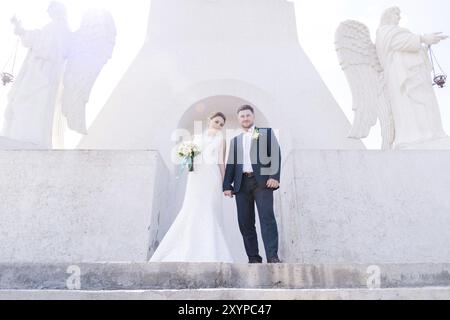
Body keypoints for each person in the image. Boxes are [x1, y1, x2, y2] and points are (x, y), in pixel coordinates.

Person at [150, 112, 234, 263]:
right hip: (196, 176)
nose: (219, 126)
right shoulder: (196, 138)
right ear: (210, 120)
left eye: (221, 124)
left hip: (211, 175)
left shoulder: (221, 139)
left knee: (209, 208)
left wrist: (225, 182)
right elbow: (189, 156)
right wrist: (188, 156)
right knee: (193, 207)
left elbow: (221, 161)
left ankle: (211, 250)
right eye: (216, 122)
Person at [223, 105, 282, 264]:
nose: (245, 118)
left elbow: (275, 154)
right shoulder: (235, 140)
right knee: (245, 222)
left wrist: (274, 176)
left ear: (253, 116)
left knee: (266, 218)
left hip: (262, 182)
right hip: (241, 184)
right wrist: (227, 185)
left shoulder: (265, 133)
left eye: (248, 115)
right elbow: (231, 164)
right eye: (242, 116)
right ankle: (254, 258)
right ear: (239, 119)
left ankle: (272, 256)